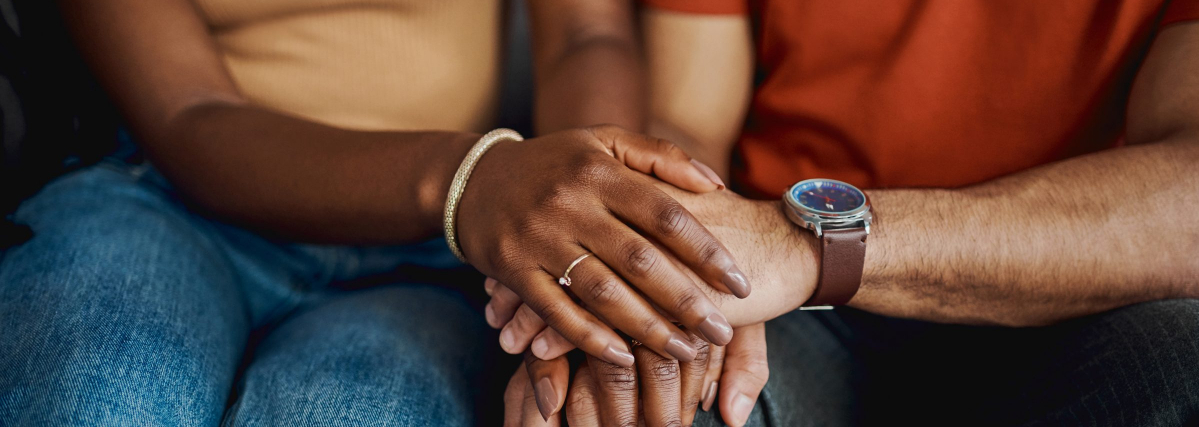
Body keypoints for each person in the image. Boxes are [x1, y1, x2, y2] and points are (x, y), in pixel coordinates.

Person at [497, 0, 1199, 425]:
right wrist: (664, 268)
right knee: (637, 402)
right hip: (787, 319)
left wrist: (799, 247)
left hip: (1090, 310)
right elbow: (687, 125)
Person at [0, 0, 752, 425]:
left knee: (351, 411)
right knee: (95, 391)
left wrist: (579, 246)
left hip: (439, 249)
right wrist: (473, 178)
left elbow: (586, 36)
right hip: (163, 201)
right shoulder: (472, 181)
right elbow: (188, 115)